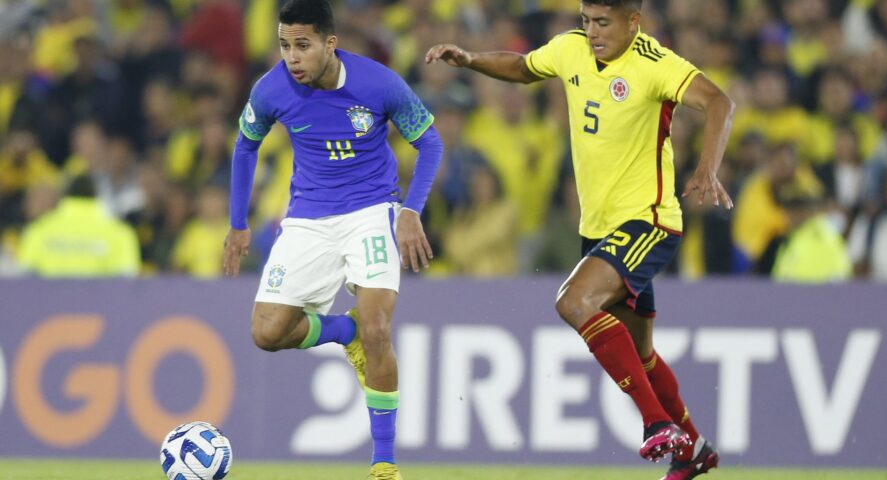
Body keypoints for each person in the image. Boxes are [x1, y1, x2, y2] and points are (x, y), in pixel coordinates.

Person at [426, 1, 733, 478]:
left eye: (602, 23)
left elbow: (719, 101)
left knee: (573, 301)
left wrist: (706, 167)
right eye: (586, 21)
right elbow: (525, 69)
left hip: (647, 221)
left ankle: (656, 423)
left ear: (634, 22)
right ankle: (692, 449)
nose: (591, 32)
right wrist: (470, 59)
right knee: (642, 354)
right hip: (598, 229)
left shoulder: (657, 65)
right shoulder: (570, 49)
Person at [224, 1, 442, 479]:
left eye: (302, 45)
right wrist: (238, 223)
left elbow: (430, 144)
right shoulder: (270, 90)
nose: (292, 57)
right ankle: (346, 333)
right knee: (267, 333)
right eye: (284, 45)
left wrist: (410, 211)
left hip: (372, 210)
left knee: (379, 328)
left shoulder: (379, 83)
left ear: (330, 44)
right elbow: (245, 146)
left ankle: (383, 462)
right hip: (308, 215)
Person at [18, 175, 140, 277]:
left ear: (65, 195)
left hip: (52, 304)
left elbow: (28, 283)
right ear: (97, 196)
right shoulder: (121, 233)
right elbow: (126, 283)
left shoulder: (37, 231)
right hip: (100, 304)